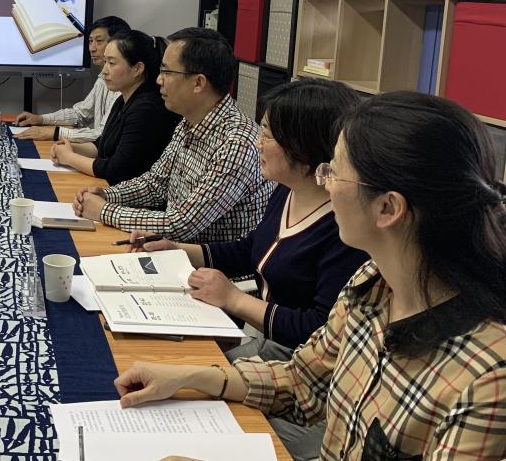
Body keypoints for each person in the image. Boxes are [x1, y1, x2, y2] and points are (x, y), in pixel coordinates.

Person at [114, 92, 506, 461]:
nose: (325, 185)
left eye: (334, 172)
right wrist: (187, 377)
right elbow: (301, 382)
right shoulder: (371, 283)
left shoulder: (487, 374)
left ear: (388, 208)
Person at [127, 79, 368, 356]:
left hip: (297, 356)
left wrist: (233, 299)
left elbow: (318, 328)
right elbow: (253, 247)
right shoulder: (288, 189)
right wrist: (177, 249)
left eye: (267, 135)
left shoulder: (344, 229)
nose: (258, 143)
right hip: (265, 337)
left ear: (302, 147)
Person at [73, 27, 272, 242]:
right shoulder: (189, 121)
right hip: (173, 250)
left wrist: (104, 211)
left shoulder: (237, 143)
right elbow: (155, 184)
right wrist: (107, 194)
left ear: (198, 83)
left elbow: (181, 224)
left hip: (204, 260)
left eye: (167, 72)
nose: (159, 80)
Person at [50, 30, 180, 185]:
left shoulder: (147, 109)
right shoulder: (123, 100)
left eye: (111, 63)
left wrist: (69, 157)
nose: (104, 71)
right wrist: (71, 148)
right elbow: (102, 146)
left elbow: (116, 170)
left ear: (137, 69)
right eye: (105, 62)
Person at [14, 15, 131, 142]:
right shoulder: (103, 77)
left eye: (99, 41)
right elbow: (81, 114)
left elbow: (104, 135)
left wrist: (56, 133)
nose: (92, 48)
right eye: (90, 41)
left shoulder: (124, 85)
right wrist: (41, 119)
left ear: (118, 44)